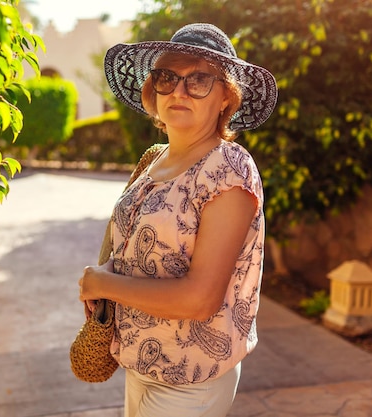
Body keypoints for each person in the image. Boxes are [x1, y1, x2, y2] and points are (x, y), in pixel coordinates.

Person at [78, 23, 278, 417]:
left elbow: (200, 300)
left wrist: (102, 283)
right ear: (153, 91)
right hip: (139, 365)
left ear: (226, 97)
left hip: (191, 381)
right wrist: (107, 273)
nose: (179, 91)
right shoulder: (155, 159)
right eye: (167, 77)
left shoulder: (229, 169)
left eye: (199, 79)